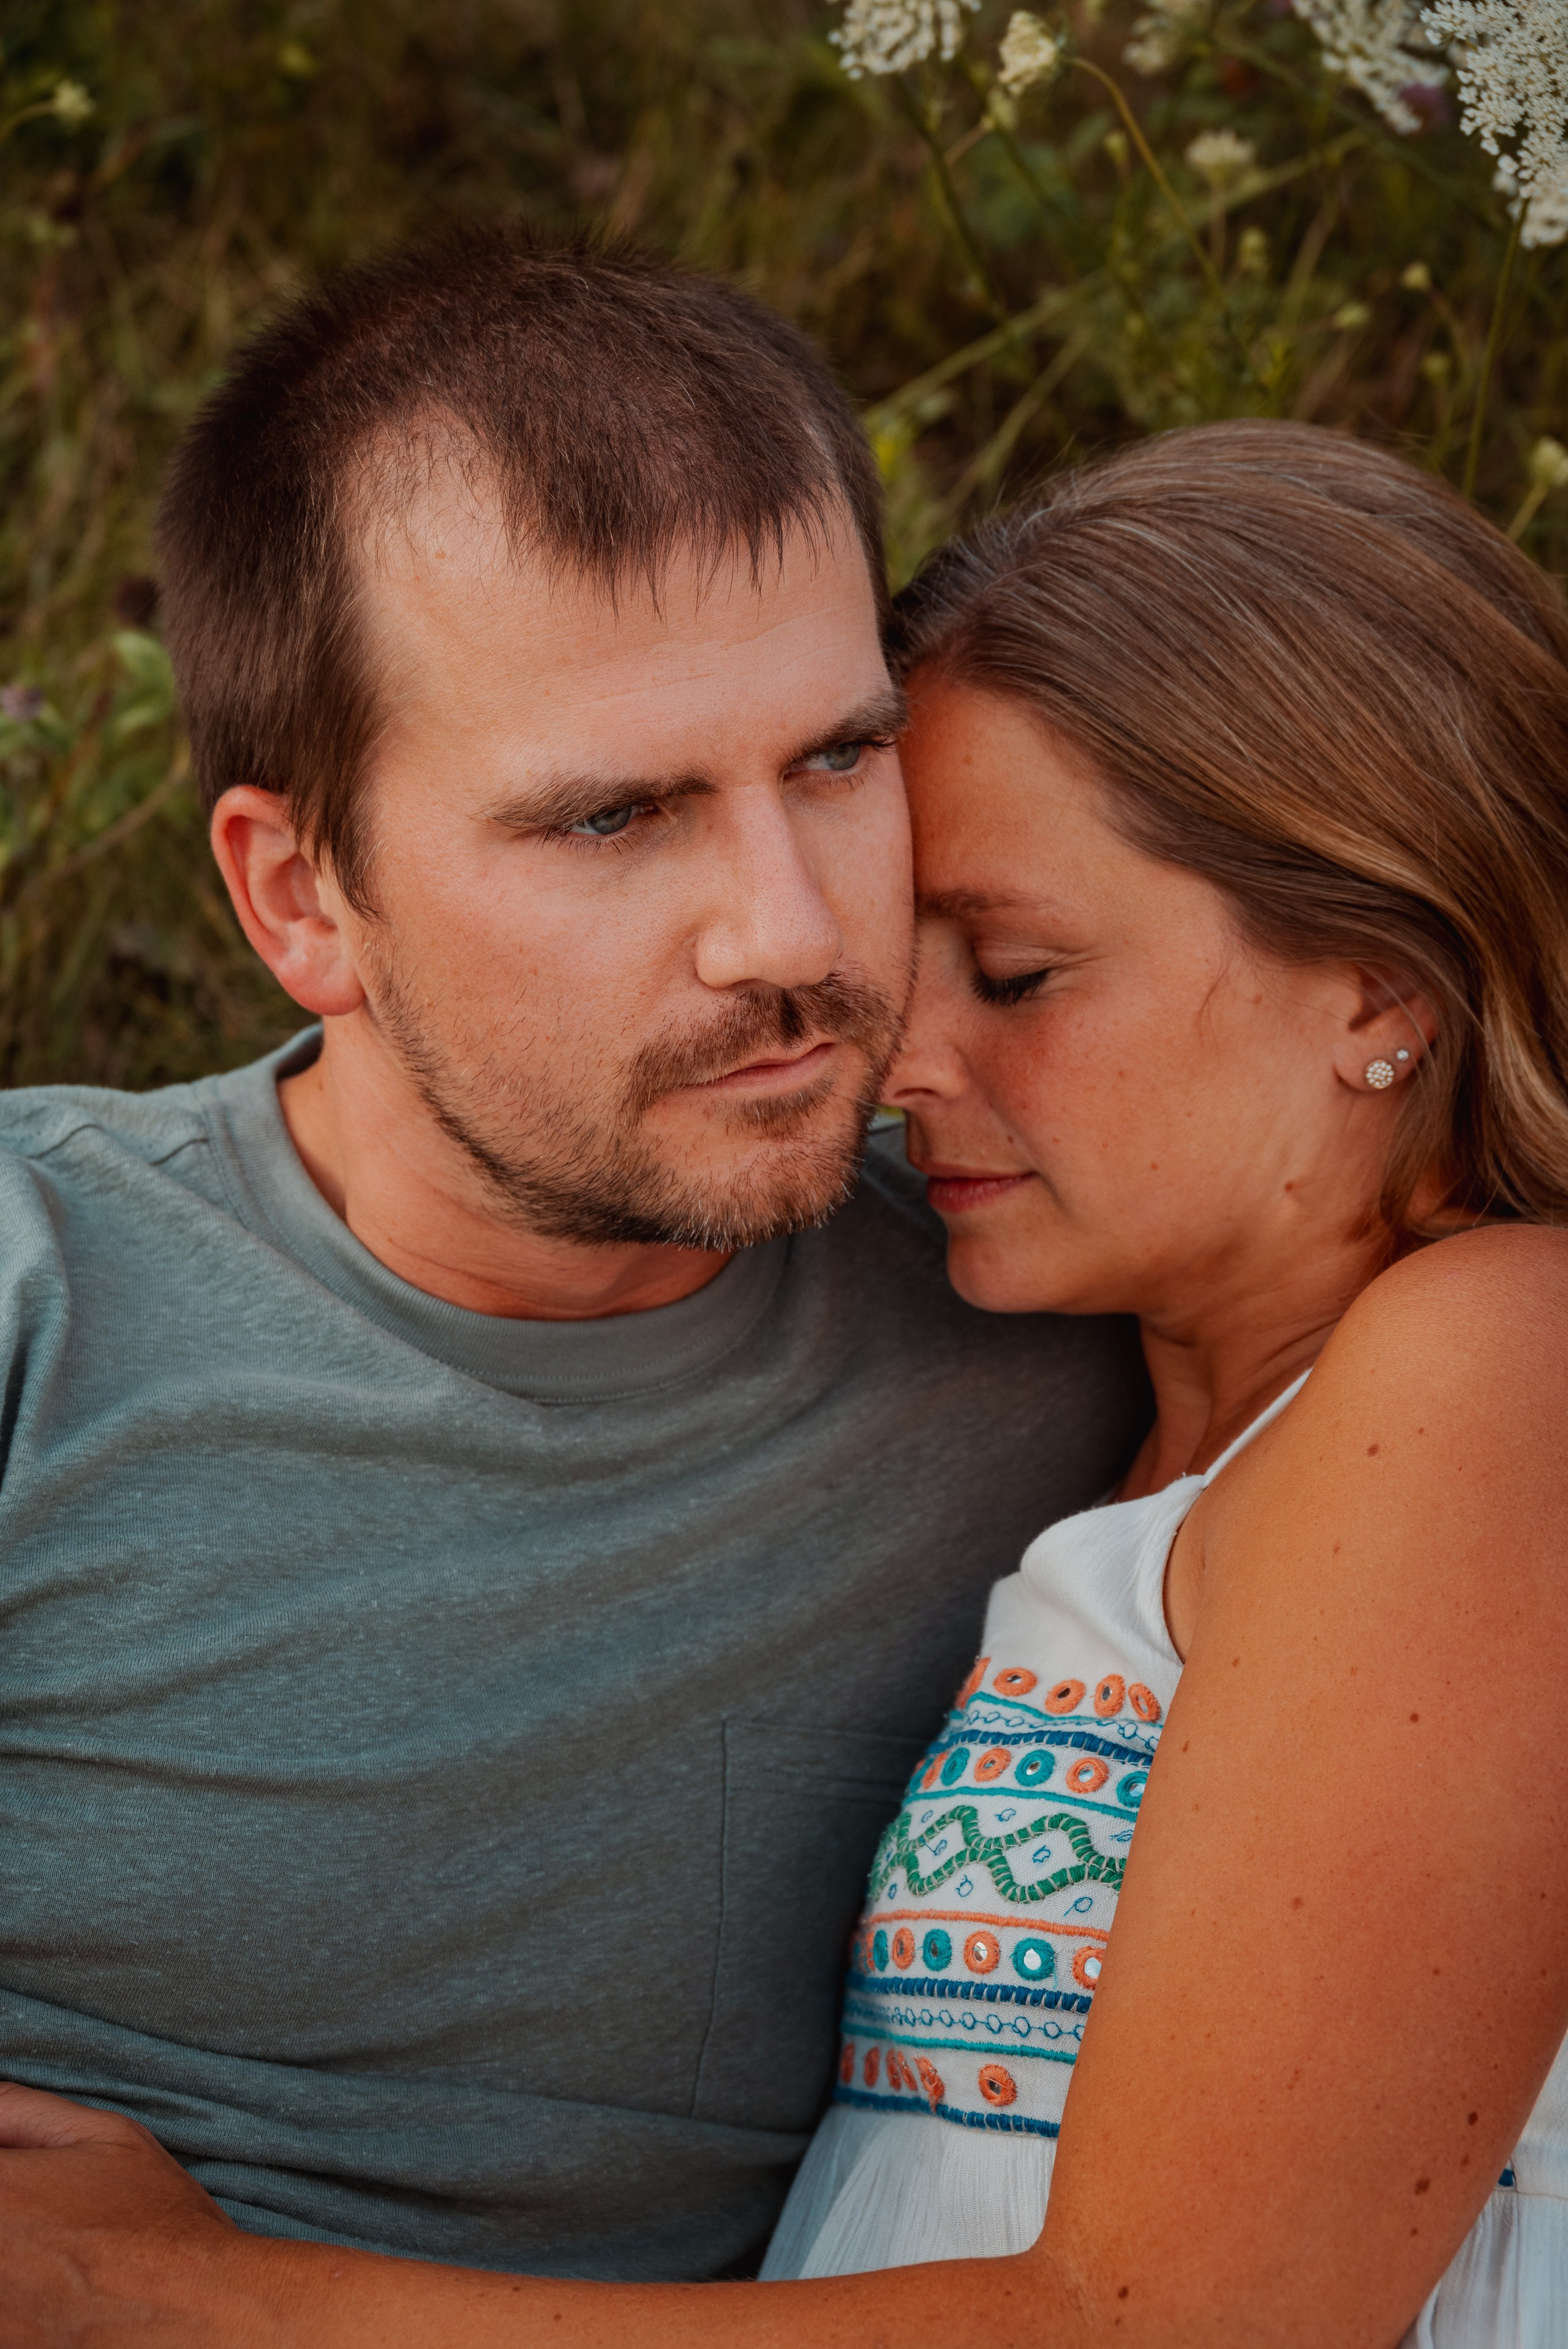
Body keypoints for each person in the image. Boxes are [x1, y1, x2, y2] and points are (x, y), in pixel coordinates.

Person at [4, 429, 1566, 2344]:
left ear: (1383, 983)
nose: (886, 1047)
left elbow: (1178, 2318)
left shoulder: (1502, 1358)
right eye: (911, 947)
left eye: (1013, 966)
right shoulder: (1100, 1388)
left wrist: (167, 2295)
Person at [0, 227, 1145, 2302]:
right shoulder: (35, 1289)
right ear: (302, 893)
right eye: (614, 820)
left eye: (835, 756)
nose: (791, 933)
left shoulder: (1065, 1326)